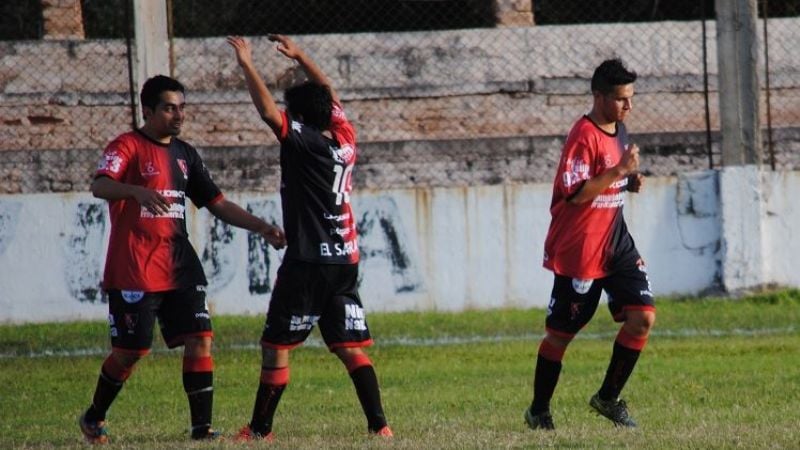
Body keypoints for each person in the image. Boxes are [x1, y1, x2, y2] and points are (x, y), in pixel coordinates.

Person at [78, 74, 286, 444]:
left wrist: (261, 227)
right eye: (170, 108)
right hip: (135, 267)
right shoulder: (126, 146)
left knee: (201, 337)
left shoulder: (186, 155)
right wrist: (135, 192)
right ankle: (94, 416)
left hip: (179, 263)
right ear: (148, 110)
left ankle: (201, 429)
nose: (178, 115)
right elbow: (99, 185)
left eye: (182, 108)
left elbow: (217, 203)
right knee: (130, 352)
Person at [226, 34, 393, 441]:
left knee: (276, 346)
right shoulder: (345, 138)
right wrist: (301, 56)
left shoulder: (305, 143)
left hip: (309, 261)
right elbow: (329, 95)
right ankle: (380, 427)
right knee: (350, 347)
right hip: (345, 260)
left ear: (299, 118)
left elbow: (268, 113)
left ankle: (260, 430)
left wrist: (247, 64)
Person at [524, 59, 656, 430]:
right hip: (580, 251)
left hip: (616, 242)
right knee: (560, 335)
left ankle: (608, 398)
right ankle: (538, 410)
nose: (628, 106)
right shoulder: (582, 136)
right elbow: (577, 195)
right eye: (620, 99)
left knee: (642, 317)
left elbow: (609, 180)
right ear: (598, 96)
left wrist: (627, 183)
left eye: (630, 98)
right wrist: (618, 172)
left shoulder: (620, 129)